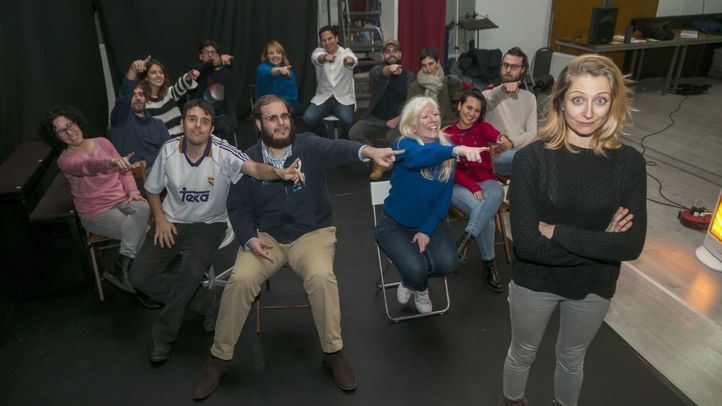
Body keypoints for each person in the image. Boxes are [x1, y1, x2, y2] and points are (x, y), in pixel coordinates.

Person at [191, 95, 402, 400]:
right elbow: (237, 208)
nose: (281, 123)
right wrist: (249, 238)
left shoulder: (308, 146)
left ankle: (333, 352)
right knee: (239, 281)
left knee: (321, 277)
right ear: (259, 124)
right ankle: (220, 358)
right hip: (267, 237)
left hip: (312, 234)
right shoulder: (247, 161)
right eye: (272, 118)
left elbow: (340, 148)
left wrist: (369, 151)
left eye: (284, 116)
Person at [500, 54, 647, 406]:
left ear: (613, 104)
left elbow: (630, 245)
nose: (589, 112)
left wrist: (555, 230)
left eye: (601, 100)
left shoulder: (629, 163)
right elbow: (528, 247)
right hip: (536, 281)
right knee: (522, 353)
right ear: (561, 103)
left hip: (593, 288)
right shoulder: (531, 160)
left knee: (572, 359)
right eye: (578, 99)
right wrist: (601, 244)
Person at [129, 99, 302, 364]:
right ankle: (209, 303)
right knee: (139, 276)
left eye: (204, 121)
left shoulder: (223, 151)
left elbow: (254, 168)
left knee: (189, 272)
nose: (197, 126)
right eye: (192, 119)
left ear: (211, 128)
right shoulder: (168, 150)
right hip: (172, 221)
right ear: (183, 123)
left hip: (210, 224)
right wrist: (160, 219)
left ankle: (162, 335)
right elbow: (152, 190)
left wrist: (277, 172)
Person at [374, 96, 488, 314]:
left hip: (430, 223)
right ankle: (418, 284)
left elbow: (444, 198)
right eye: (424, 116)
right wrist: (455, 151)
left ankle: (411, 281)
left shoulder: (447, 147)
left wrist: (426, 230)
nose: (433, 119)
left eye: (435, 113)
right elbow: (419, 157)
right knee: (416, 269)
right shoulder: (402, 145)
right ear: (412, 124)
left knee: (448, 263)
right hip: (394, 225)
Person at [43, 105, 150, 294]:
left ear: (76, 122)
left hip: (121, 199)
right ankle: (144, 285)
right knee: (144, 233)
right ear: (56, 137)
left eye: (69, 124)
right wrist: (110, 162)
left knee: (143, 207)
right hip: (96, 212)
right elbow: (87, 166)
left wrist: (133, 191)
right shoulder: (65, 160)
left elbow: (124, 170)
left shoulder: (103, 142)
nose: (69, 131)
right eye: (61, 130)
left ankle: (122, 269)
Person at [445, 88, 505, 293]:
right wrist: (472, 187)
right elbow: (451, 170)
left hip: (486, 182)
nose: (472, 113)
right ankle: (489, 264)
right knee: (486, 215)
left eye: (477, 110)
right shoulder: (447, 135)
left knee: (497, 191)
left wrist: (502, 140)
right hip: (459, 185)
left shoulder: (482, 128)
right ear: (460, 106)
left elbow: (497, 136)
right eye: (468, 107)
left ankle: (464, 242)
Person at [349, 38, 414, 180]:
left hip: (397, 119)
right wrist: (388, 69)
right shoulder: (376, 73)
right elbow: (379, 74)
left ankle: (383, 163)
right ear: (382, 56)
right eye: (388, 52)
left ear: (400, 55)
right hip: (375, 117)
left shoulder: (408, 76)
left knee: (393, 138)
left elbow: (410, 103)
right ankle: (378, 159)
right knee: (354, 132)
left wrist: (398, 119)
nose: (391, 54)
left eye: (395, 51)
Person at [482, 47, 537, 176]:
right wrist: (503, 89)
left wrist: (511, 143)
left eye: (513, 67)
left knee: (544, 152)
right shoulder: (487, 94)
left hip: (518, 149)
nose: (508, 70)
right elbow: (489, 100)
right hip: (496, 153)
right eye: (505, 65)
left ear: (522, 69)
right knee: (530, 160)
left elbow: (533, 133)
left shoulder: (529, 98)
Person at [110, 57, 170, 170]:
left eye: (141, 94)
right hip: (129, 177)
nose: (137, 98)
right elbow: (123, 97)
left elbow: (168, 152)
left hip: (158, 175)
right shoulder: (120, 119)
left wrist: (145, 162)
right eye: (133, 95)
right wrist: (133, 71)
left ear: (146, 98)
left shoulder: (158, 124)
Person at [302, 25, 358, 139]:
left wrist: (349, 61)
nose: (327, 42)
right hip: (324, 98)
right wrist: (325, 57)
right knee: (308, 118)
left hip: (344, 99)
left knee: (348, 120)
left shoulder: (346, 52)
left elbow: (353, 60)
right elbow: (317, 58)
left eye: (330, 38)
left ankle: (343, 142)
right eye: (324, 40)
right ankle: (324, 136)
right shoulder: (318, 52)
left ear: (336, 38)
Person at [191, 40, 237, 143]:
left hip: (219, 116)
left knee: (225, 126)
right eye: (206, 52)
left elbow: (230, 98)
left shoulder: (225, 72)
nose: (210, 55)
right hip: (201, 115)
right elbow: (204, 67)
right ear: (200, 56)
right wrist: (216, 62)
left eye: (214, 52)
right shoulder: (197, 71)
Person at [141, 57, 200, 136]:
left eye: (161, 72)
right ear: (146, 77)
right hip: (162, 145)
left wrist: (188, 77)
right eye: (153, 72)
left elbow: (182, 84)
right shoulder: (142, 103)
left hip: (182, 142)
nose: (158, 75)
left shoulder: (169, 93)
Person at [406, 48, 460, 126]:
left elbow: (461, 94)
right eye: (424, 65)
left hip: (446, 126)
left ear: (438, 63)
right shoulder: (414, 87)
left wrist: (456, 81)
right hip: (423, 126)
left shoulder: (447, 82)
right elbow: (410, 113)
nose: (428, 69)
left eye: (431, 64)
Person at [255, 40, 299, 112]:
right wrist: (278, 70)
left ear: (282, 55)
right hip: (265, 106)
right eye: (271, 53)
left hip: (284, 106)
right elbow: (268, 72)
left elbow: (293, 96)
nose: (275, 55)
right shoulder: (261, 68)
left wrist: (280, 105)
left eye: (278, 52)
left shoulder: (289, 73)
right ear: (267, 56)